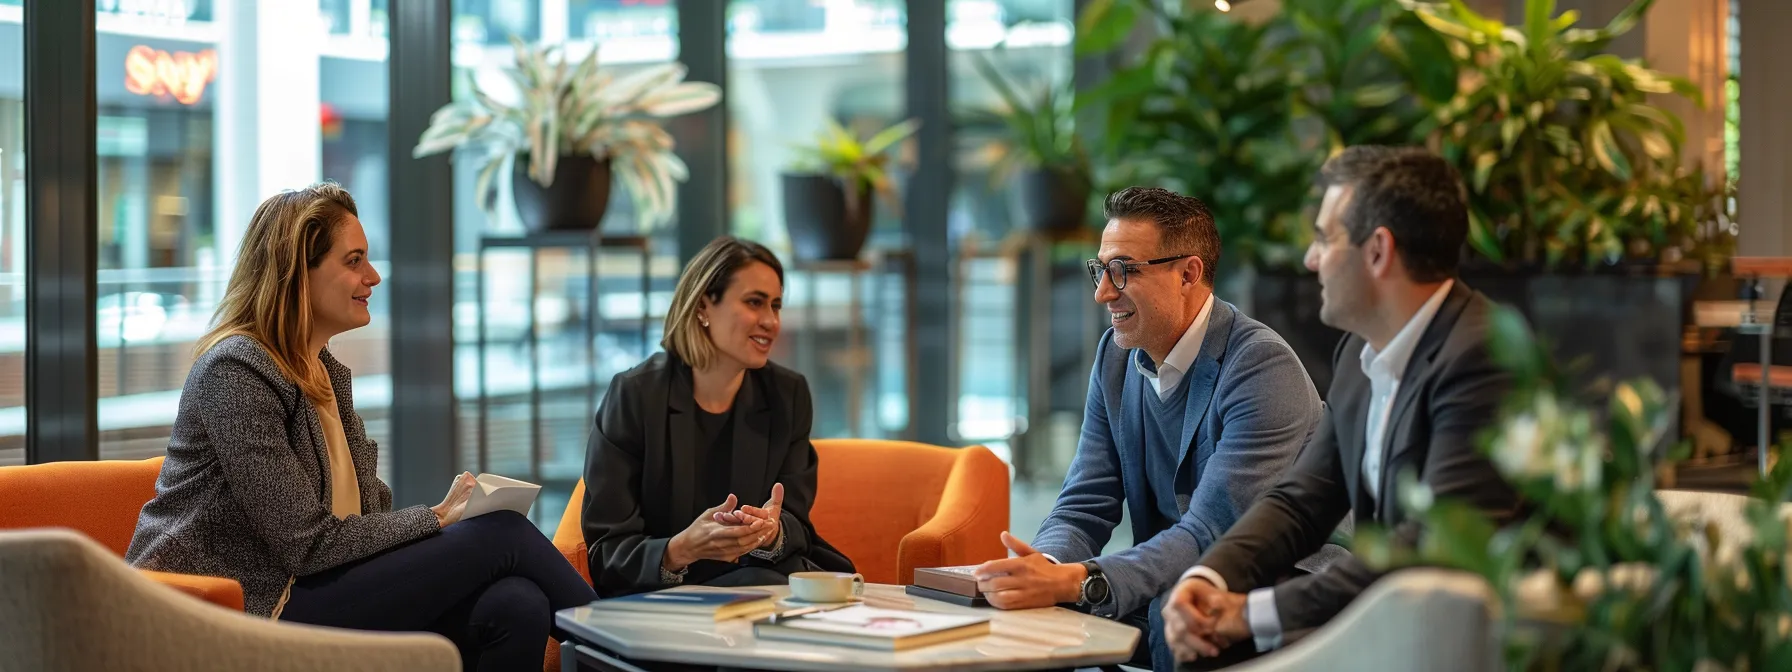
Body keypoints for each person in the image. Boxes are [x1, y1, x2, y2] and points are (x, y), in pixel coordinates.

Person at [126, 183, 596, 671]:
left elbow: (368, 515)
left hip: (318, 590)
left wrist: (441, 515)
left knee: (516, 603)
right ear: (296, 273)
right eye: (353, 261)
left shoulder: (325, 373)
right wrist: (437, 518)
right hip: (249, 607)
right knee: (501, 532)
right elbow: (305, 544)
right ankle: (631, 649)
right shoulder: (235, 372)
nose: (372, 276)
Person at [1164, 146, 1525, 666]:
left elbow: (1427, 548)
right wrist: (1208, 577)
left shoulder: (1484, 356)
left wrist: (1252, 612)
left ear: (1377, 251)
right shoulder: (1359, 351)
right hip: (1396, 626)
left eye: (1323, 238)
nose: (1310, 260)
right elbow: (1301, 501)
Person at [972, 187, 1323, 670]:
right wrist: (1046, 569)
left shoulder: (1262, 367)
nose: (1102, 292)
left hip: (1274, 584)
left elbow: (1215, 532)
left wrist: (1080, 580)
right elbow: (1083, 503)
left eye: (1123, 270)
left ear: (1189, 273)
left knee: (1164, 610)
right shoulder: (1114, 358)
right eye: (1100, 269)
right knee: (1019, 613)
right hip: (1166, 578)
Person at [582, 236, 853, 597]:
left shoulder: (788, 394)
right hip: (659, 601)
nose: (771, 321)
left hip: (759, 587)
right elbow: (607, 552)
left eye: (776, 305)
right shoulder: (635, 395)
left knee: (773, 585)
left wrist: (771, 532)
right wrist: (681, 548)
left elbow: (796, 524)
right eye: (755, 302)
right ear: (703, 306)